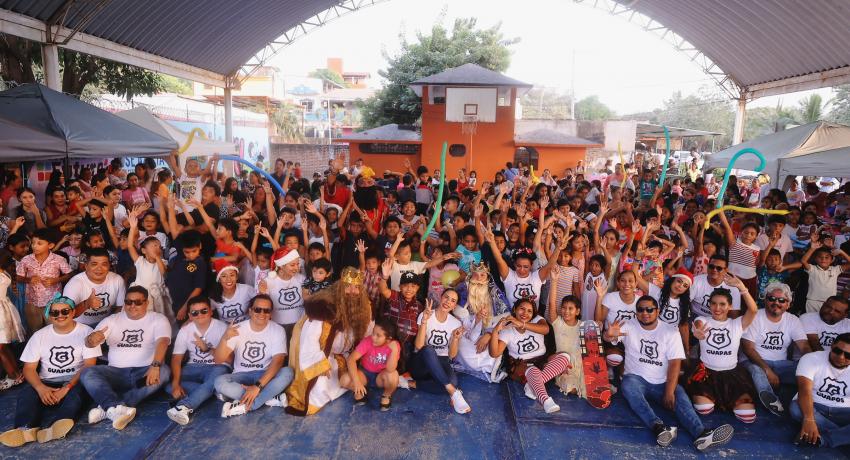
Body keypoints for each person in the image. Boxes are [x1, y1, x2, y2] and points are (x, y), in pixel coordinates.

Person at [607, 295, 734, 451]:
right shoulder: (628, 325)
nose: (645, 313)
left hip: (662, 381)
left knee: (680, 398)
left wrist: (669, 391)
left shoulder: (670, 331)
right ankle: (658, 427)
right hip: (636, 379)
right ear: (636, 312)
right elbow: (611, 337)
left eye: (649, 309)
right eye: (640, 309)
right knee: (627, 385)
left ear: (657, 311)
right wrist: (609, 334)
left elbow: (675, 363)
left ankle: (701, 434)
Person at [0, 296, 99, 447]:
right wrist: (40, 388)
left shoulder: (87, 332)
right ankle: (25, 429)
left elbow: (89, 366)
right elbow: (29, 368)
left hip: (74, 382)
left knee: (77, 395)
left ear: (73, 312)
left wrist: (66, 388)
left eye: (65, 311)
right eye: (55, 313)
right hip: (47, 382)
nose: (60, 315)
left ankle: (55, 427)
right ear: (50, 315)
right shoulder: (40, 335)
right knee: (27, 393)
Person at [81, 286, 171, 430]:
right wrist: (92, 340)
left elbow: (163, 342)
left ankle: (109, 408)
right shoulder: (112, 319)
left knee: (164, 371)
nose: (132, 306)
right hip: (115, 373)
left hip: (144, 372)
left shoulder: (158, 319)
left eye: (137, 302)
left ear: (146, 303)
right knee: (88, 373)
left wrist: (155, 365)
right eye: (128, 302)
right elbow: (90, 342)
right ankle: (114, 407)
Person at [286, 267, 372, 415]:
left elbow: (367, 336)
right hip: (320, 355)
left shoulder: (363, 308)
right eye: (348, 287)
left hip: (340, 357)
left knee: (346, 380)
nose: (352, 291)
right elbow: (309, 339)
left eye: (357, 287)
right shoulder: (324, 308)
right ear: (340, 288)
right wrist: (320, 363)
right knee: (318, 388)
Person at [687, 275, 759, 424]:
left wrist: (742, 288)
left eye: (722, 304)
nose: (717, 308)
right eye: (713, 304)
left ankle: (730, 402)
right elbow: (698, 326)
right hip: (705, 374)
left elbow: (753, 310)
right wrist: (697, 333)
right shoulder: (703, 320)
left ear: (730, 306)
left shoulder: (737, 324)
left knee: (747, 416)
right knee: (704, 409)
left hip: (732, 374)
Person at [213, 294, 293, 417]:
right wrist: (224, 338)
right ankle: (268, 397)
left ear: (271, 313)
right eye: (257, 309)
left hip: (265, 375)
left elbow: (278, 361)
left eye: (266, 310)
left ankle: (246, 404)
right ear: (250, 311)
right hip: (241, 375)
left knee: (288, 372)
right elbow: (218, 360)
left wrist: (257, 387)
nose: (262, 313)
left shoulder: (278, 330)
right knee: (219, 382)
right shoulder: (237, 329)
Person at [742, 283, 811, 416]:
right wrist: (767, 370)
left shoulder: (793, 320)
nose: (776, 303)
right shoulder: (755, 316)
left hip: (781, 365)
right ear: (765, 300)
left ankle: (806, 401)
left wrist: (814, 367)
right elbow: (748, 348)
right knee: (757, 372)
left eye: (782, 300)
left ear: (788, 304)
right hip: (754, 362)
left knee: (802, 370)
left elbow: (804, 346)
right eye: (771, 298)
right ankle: (771, 401)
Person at [490, 298, 569, 414]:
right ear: (515, 309)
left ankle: (532, 385)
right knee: (533, 370)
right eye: (522, 309)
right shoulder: (507, 330)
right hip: (522, 365)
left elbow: (546, 330)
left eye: (529, 311)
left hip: (542, 361)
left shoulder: (537, 320)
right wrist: (495, 331)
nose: (525, 313)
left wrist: (522, 324)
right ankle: (546, 400)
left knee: (565, 357)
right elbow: (494, 353)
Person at [167, 296, 230, 425]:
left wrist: (207, 349)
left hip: (217, 366)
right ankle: (213, 392)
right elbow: (176, 359)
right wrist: (175, 384)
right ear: (190, 315)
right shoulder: (185, 330)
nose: (200, 315)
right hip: (193, 367)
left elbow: (229, 359)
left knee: (214, 380)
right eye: (195, 313)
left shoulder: (222, 327)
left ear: (211, 311)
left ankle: (184, 406)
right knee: (168, 384)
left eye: (204, 311)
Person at [411, 288, 471, 414]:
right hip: (422, 362)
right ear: (441, 297)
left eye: (453, 301)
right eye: (446, 297)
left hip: (441, 361)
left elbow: (452, 355)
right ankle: (452, 391)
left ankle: (411, 384)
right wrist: (424, 321)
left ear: (454, 306)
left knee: (453, 382)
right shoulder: (426, 314)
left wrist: (455, 338)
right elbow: (419, 346)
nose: (448, 302)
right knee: (428, 349)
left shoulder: (455, 323)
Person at [791, 332, 850, 448]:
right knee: (796, 409)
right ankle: (843, 436)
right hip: (815, 405)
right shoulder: (811, 358)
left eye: (848, 355)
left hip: (845, 410)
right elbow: (804, 390)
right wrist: (809, 419)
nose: (841, 357)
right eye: (838, 351)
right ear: (832, 346)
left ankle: (824, 439)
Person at [341, 319, 401, 411]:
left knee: (393, 375)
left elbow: (390, 369)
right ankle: (361, 390)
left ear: (388, 339)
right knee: (344, 380)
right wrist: (357, 382)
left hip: (381, 377)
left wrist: (394, 351)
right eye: (373, 333)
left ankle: (386, 395)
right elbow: (351, 360)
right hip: (365, 374)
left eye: (378, 336)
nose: (373, 337)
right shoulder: (367, 341)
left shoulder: (394, 345)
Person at [63, 248, 126, 327]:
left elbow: (120, 308)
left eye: (104, 264)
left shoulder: (117, 280)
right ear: (86, 266)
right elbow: (65, 314)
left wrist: (108, 324)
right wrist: (86, 304)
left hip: (106, 323)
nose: (99, 268)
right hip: (79, 325)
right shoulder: (74, 283)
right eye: (94, 264)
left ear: (109, 266)